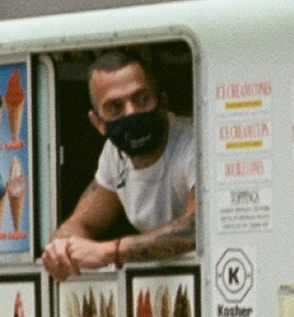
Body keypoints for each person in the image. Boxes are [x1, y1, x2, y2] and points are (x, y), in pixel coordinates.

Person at [43, 49, 199, 278]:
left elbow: (196, 228)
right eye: (115, 107)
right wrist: (61, 247)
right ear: (98, 123)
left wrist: (110, 252)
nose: (131, 112)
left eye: (142, 99)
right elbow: (81, 223)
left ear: (162, 101)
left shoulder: (194, 142)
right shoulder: (115, 154)